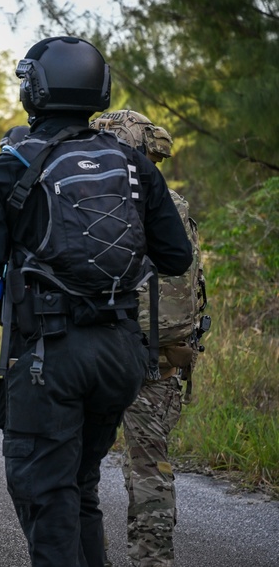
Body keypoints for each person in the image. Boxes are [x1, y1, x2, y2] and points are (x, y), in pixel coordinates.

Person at [0, 37, 193, 566]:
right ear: (98, 90)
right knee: (80, 484)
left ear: (32, 90)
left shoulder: (8, 168)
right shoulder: (134, 164)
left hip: (49, 357)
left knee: (44, 490)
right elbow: (175, 256)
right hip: (121, 355)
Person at [90, 110, 206, 567]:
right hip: (161, 361)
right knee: (149, 472)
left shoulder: (91, 200)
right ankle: (152, 562)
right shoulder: (173, 205)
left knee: (78, 473)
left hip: (99, 352)